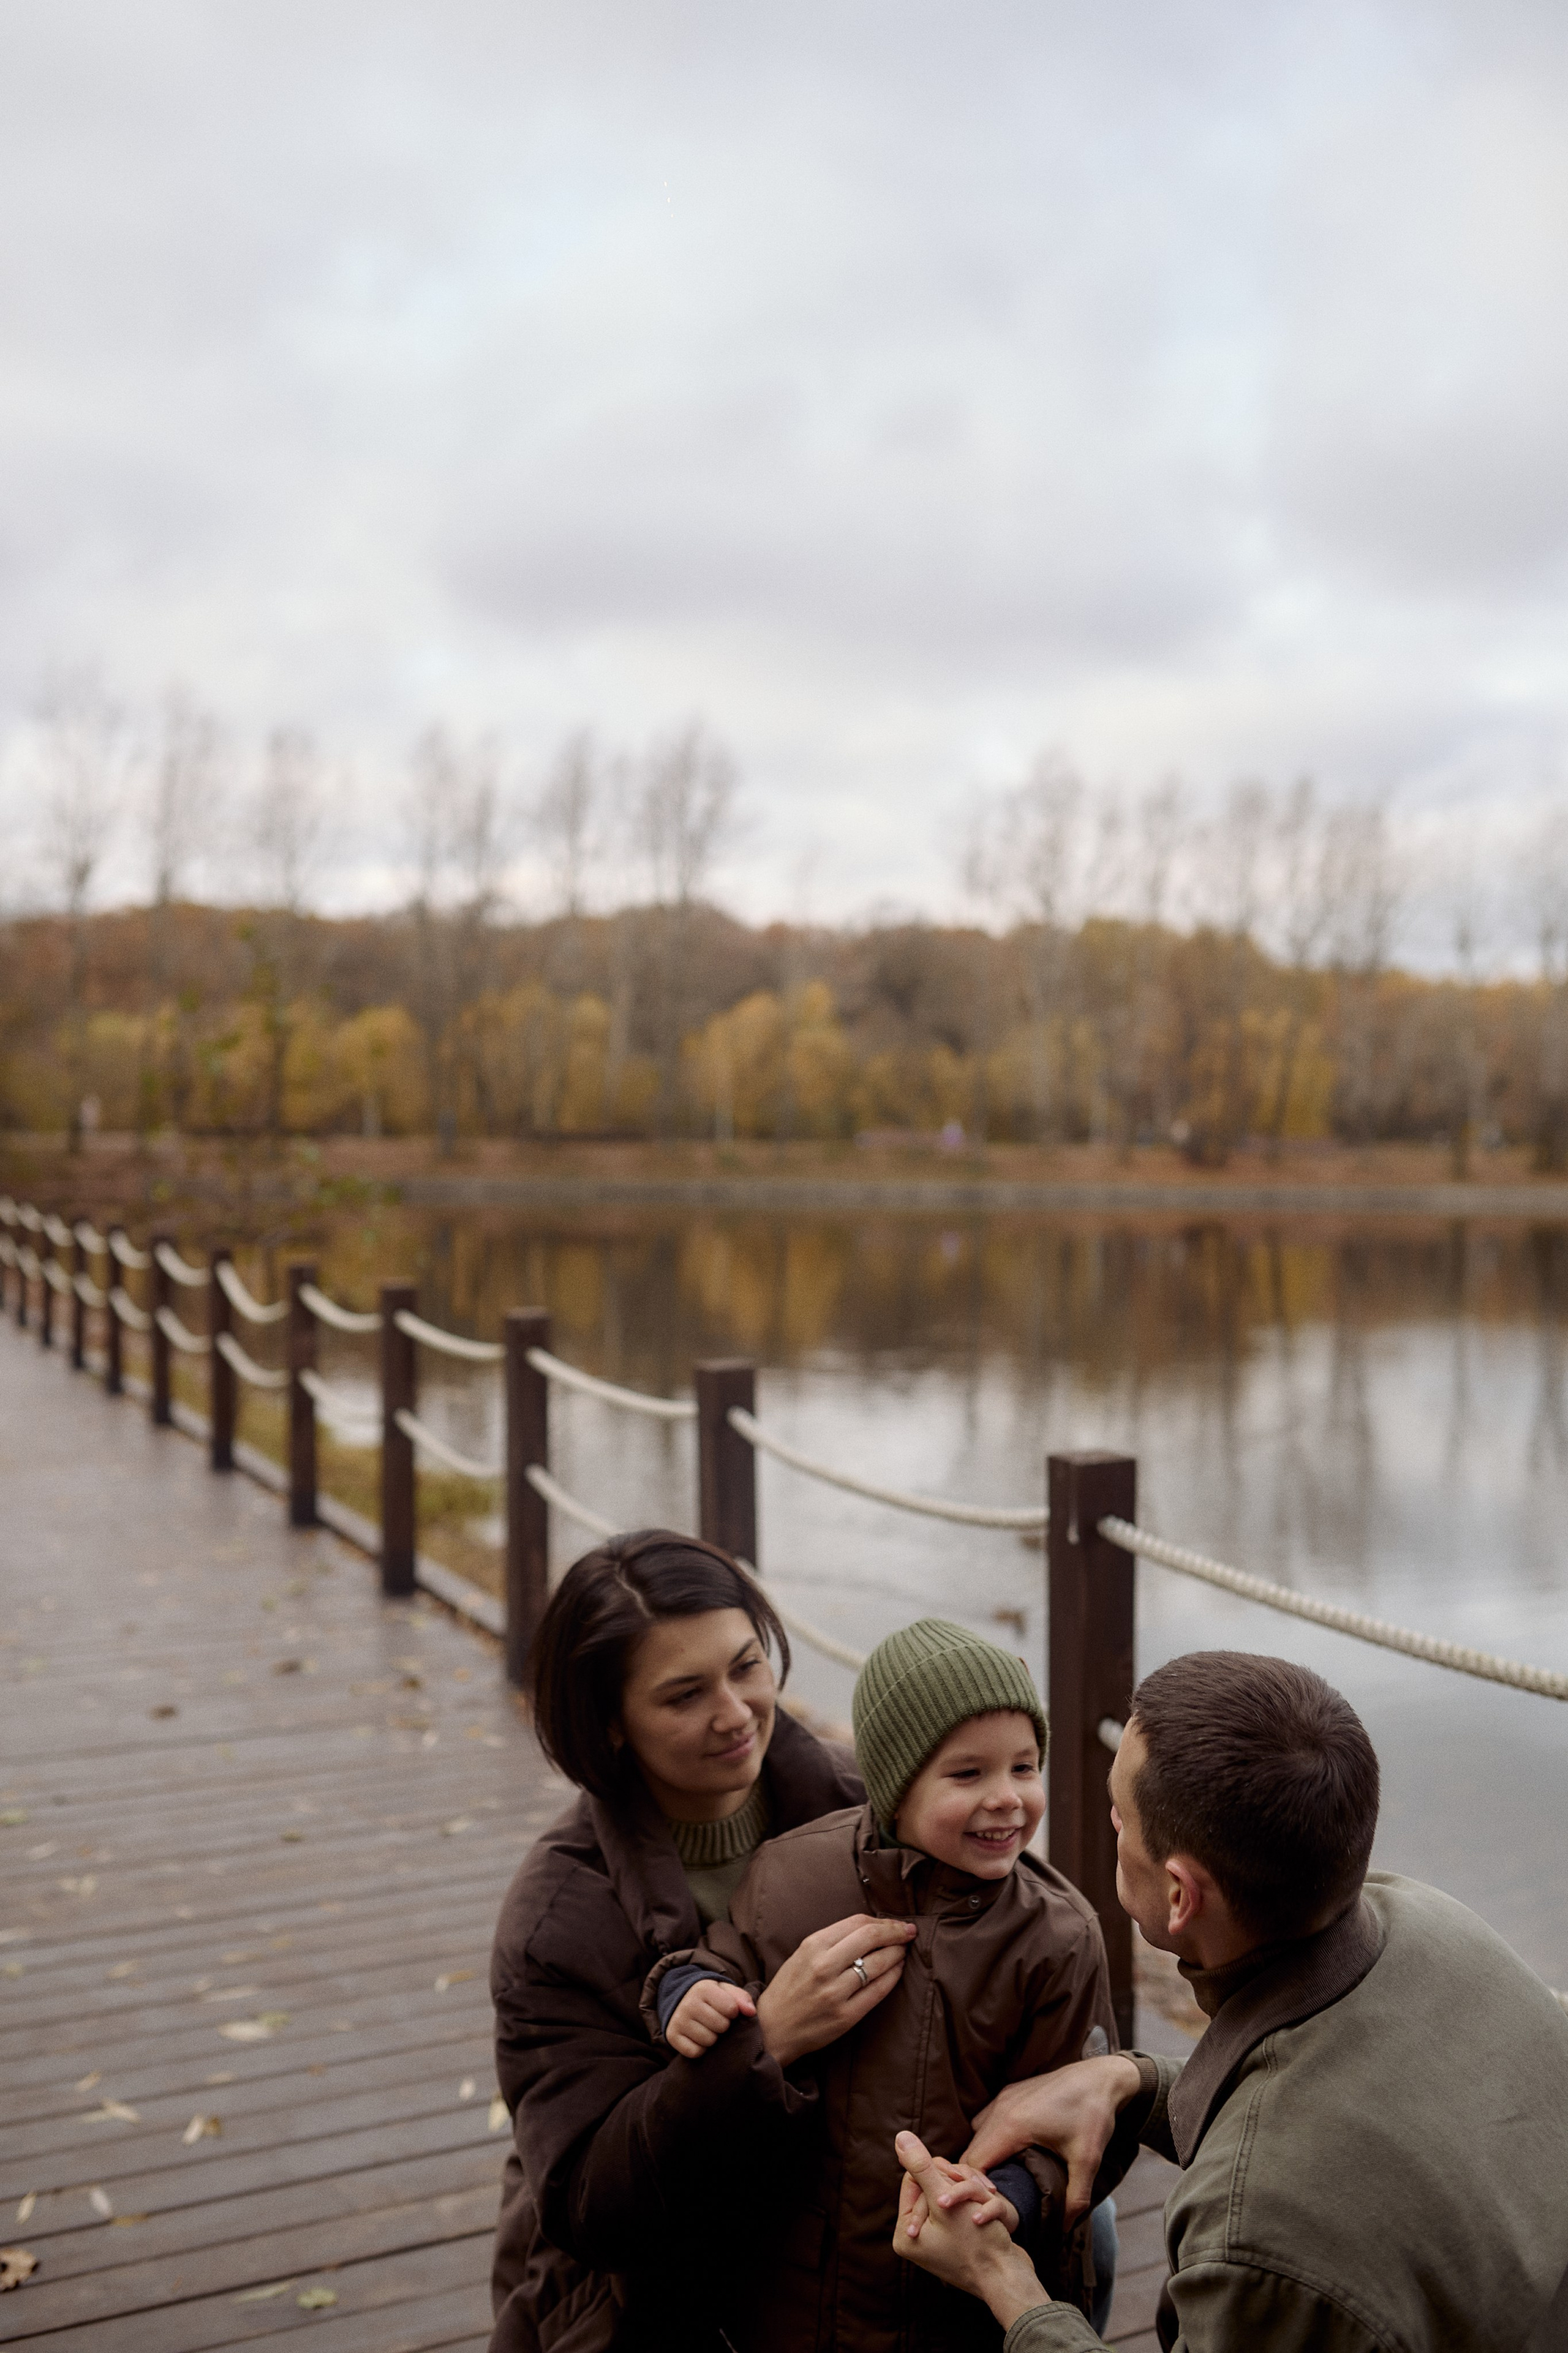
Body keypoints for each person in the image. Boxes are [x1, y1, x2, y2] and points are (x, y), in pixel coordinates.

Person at [888, 1649, 1568, 2352]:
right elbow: (1354, 2100)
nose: (1111, 1823)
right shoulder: (1437, 1924)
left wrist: (1005, 2279)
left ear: (1180, 1895)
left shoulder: (1258, 2243)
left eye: (1119, 1815)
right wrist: (1133, 2081)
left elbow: (1302, 2157)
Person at [488, 1529, 914, 2353]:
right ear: (611, 1721)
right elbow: (589, 2205)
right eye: (684, 1695)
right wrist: (766, 2041)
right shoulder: (557, 1924)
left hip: (855, 2232)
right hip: (651, 2296)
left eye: (747, 1665)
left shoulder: (871, 1805)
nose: (736, 1713)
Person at [646, 1617, 1118, 2353]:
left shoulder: (1057, 1937)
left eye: (1024, 1767)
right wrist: (688, 1992)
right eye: (968, 1774)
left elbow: (1079, 2126)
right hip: (790, 2288)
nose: (1007, 1798)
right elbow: (718, 1960)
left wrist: (1009, 2199)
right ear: (897, 1783)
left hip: (952, 2303)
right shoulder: (792, 1873)